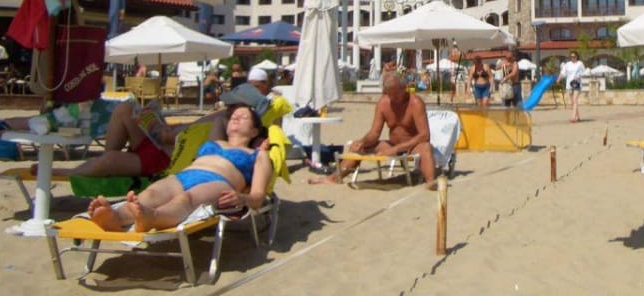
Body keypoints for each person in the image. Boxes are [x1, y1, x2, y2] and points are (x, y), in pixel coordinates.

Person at [88, 103, 273, 232]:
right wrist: (229, 109)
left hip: (218, 182)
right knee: (150, 194)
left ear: (255, 130)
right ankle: (115, 217)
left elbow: (259, 197)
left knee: (186, 199)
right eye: (233, 116)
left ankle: (152, 217)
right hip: (186, 175)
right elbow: (218, 120)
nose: (236, 118)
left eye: (244, 117)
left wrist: (242, 197)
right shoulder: (216, 141)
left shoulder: (258, 155)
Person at [311, 72, 436, 187]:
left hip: (412, 146)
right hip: (392, 144)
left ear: (404, 88)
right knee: (358, 147)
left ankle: (431, 183)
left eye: (395, 94)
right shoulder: (383, 103)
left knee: (426, 147)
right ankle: (335, 178)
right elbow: (374, 133)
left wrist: (396, 149)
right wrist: (362, 142)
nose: (393, 98)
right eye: (389, 94)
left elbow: (424, 135)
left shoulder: (415, 103)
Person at [51, 99, 175, 178]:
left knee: (110, 159)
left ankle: (72, 172)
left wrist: (160, 129)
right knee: (125, 108)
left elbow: (169, 138)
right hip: (159, 146)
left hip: (164, 160)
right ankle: (102, 165)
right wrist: (155, 121)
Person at [556, 50, 587, 123]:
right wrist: (558, 79)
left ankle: (573, 117)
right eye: (571, 56)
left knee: (575, 99)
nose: (573, 58)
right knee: (572, 101)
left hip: (577, 83)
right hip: (569, 85)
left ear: (577, 56)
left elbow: (584, 72)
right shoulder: (567, 64)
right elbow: (563, 73)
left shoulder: (580, 63)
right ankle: (578, 116)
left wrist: (579, 76)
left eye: (574, 56)